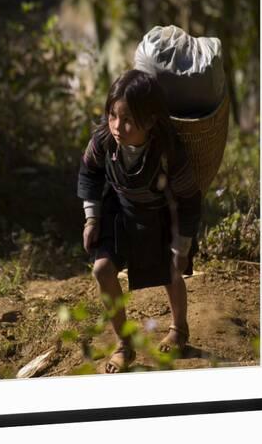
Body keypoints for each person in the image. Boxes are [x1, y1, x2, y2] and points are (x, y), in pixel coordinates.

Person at [77, 69, 202, 373]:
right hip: (119, 213)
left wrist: (181, 245)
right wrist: (91, 219)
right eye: (113, 115)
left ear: (151, 121)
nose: (118, 126)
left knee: (171, 272)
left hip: (160, 216)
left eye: (129, 119)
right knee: (102, 269)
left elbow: (189, 199)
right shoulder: (103, 141)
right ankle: (124, 343)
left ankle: (179, 329)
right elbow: (89, 173)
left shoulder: (169, 152)